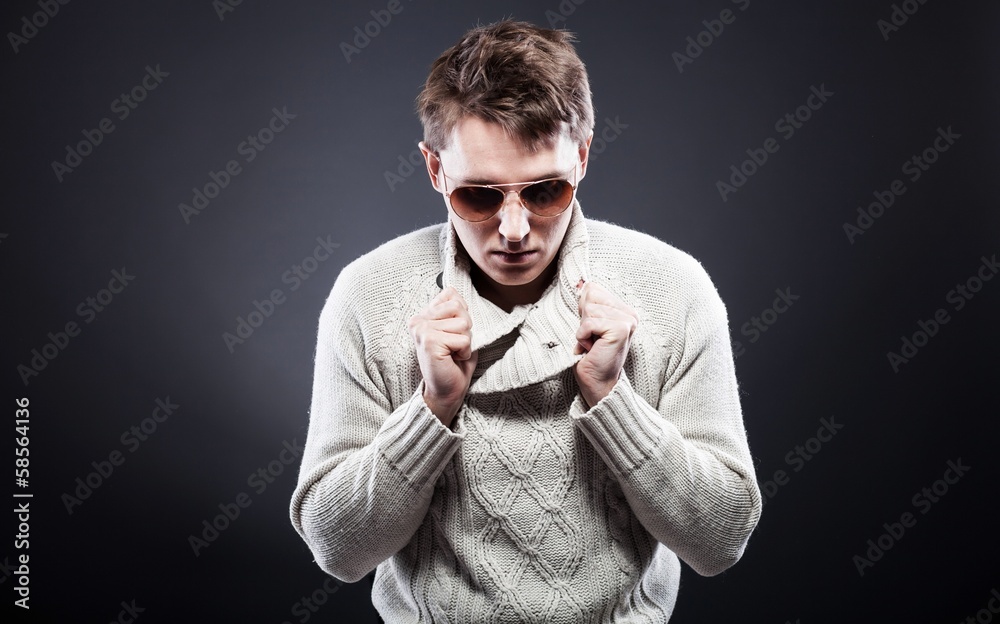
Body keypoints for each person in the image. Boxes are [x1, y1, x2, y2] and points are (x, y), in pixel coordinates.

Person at [289, 18, 762, 623]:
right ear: (435, 170)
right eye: (479, 196)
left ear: (583, 158)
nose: (514, 231)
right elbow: (338, 550)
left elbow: (721, 541)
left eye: (544, 192)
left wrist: (613, 400)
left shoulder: (675, 290)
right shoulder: (369, 296)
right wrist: (430, 408)